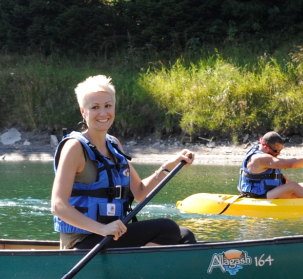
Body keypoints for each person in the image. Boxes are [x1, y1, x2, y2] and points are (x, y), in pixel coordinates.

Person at [51, 75, 198, 249]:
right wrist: (102, 229)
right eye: (95, 107)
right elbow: (58, 205)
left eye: (108, 106)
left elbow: (140, 192)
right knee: (168, 228)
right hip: (82, 242)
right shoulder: (74, 147)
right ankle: (138, 272)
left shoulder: (113, 144)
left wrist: (170, 165)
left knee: (184, 235)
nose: (103, 113)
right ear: (83, 111)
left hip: (111, 236)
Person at [239, 131, 303, 199]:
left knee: (301, 185)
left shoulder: (260, 149)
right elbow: (291, 164)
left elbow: (272, 176)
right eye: (276, 151)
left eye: (280, 151)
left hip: (266, 193)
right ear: (265, 147)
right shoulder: (259, 158)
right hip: (256, 196)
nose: (278, 154)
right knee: (293, 186)